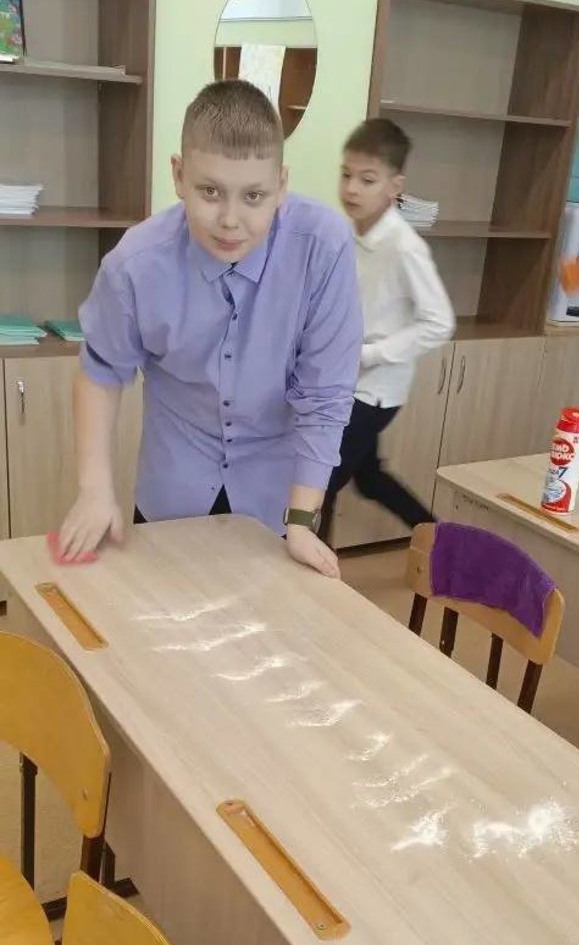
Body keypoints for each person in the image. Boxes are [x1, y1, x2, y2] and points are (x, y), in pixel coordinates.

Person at [58, 80, 363, 578]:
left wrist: (302, 520)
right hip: (172, 492)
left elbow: (324, 396)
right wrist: (94, 491)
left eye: (254, 196)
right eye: (210, 192)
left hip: (280, 505)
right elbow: (101, 372)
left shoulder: (323, 249)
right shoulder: (135, 264)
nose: (230, 220)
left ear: (281, 185)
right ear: (178, 175)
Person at [320, 118, 455, 541]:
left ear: (395, 186)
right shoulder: (349, 232)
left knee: (317, 484)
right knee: (369, 479)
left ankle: (313, 573)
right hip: (348, 380)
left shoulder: (404, 247)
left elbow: (440, 322)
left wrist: (370, 354)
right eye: (346, 175)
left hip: (375, 390)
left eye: (367, 179)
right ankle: (443, 541)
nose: (351, 189)